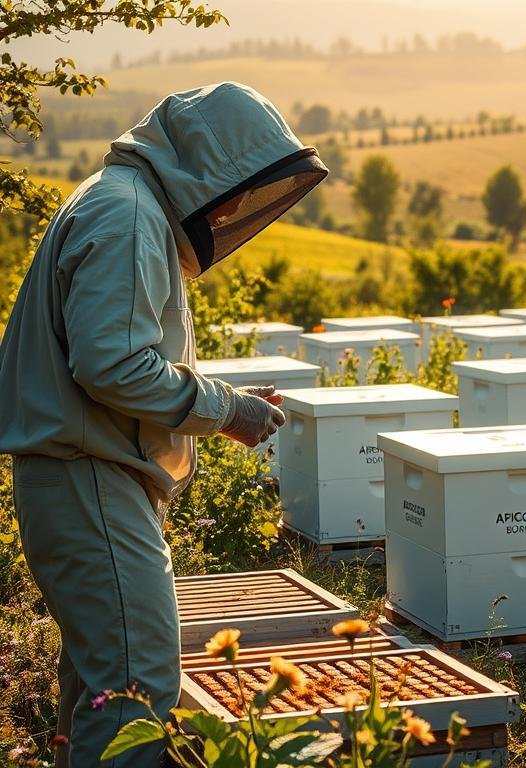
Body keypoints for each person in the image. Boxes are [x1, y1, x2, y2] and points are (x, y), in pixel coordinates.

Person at [0, 82, 327, 766]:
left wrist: (224, 396)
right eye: (238, 186)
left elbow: (118, 358)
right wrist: (227, 410)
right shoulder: (126, 216)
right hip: (87, 478)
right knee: (136, 692)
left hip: (86, 476)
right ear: (205, 166)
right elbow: (113, 365)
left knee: (100, 688)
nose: (237, 207)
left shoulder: (122, 203)